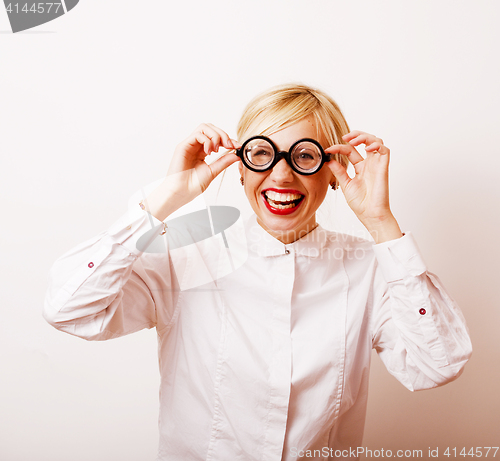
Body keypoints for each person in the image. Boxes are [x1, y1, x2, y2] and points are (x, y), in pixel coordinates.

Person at [43, 83, 472, 460]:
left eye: (305, 155)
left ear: (335, 171)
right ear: (242, 165)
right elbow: (69, 310)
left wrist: (381, 223)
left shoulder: (371, 270)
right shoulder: (185, 255)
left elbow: (435, 366)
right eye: (263, 154)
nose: (281, 175)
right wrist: (164, 198)